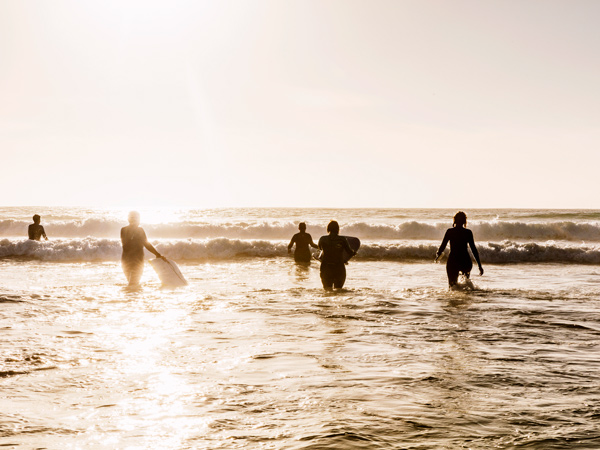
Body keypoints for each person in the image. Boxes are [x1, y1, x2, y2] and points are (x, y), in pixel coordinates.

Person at [435, 211, 483, 287]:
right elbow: (473, 249)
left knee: (452, 286)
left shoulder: (450, 232)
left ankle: (454, 298)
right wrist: (479, 266)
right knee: (466, 286)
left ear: (455, 220)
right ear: (464, 221)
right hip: (465, 261)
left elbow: (442, 246)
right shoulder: (468, 232)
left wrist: (438, 254)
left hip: (453, 260)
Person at [120, 211, 164, 287]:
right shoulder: (138, 230)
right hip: (137, 260)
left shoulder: (123, 230)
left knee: (131, 283)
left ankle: (129, 297)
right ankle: (132, 297)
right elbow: (146, 244)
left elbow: (126, 244)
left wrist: (157, 254)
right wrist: (157, 254)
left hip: (126, 260)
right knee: (134, 283)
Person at [318, 220, 356, 290]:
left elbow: (320, 249)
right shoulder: (342, 239)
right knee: (338, 290)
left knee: (327, 290)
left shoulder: (322, 239)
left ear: (328, 229)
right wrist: (354, 252)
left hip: (326, 267)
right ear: (338, 229)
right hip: (339, 267)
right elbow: (349, 252)